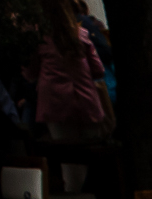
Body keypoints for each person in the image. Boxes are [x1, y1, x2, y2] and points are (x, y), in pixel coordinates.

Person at [36, 0, 110, 141]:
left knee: (68, 154)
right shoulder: (82, 34)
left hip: (55, 105)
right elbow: (98, 70)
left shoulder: (41, 40)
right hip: (87, 103)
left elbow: (30, 73)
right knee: (94, 149)